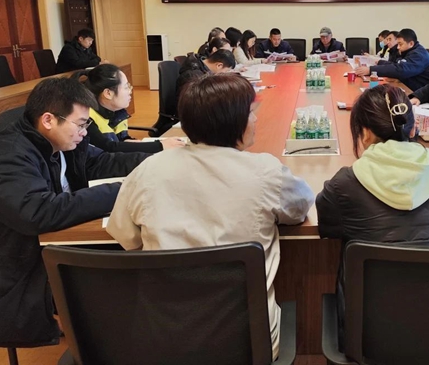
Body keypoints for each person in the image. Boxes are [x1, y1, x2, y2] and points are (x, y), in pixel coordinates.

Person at [107, 73, 315, 359]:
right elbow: (300, 208)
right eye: (251, 114)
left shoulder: (148, 170)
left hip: (165, 336)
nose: (255, 120)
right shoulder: (266, 172)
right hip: (247, 341)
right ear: (235, 122)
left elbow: (127, 238)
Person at [0, 78, 149, 348]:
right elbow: (40, 212)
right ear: (48, 120)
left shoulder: (61, 141)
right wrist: (122, 190)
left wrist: (157, 162)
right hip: (11, 267)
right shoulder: (4, 158)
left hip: (49, 242)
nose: (85, 133)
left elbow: (102, 161)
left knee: (130, 253)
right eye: (81, 124)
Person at [316, 84, 429, 342]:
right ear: (412, 129)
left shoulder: (344, 185)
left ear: (364, 134)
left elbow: (327, 225)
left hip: (369, 335)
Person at [73, 64, 185, 153]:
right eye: (126, 87)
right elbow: (109, 148)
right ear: (108, 93)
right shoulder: (85, 118)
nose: (130, 91)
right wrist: (159, 146)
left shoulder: (116, 112)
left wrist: (129, 142)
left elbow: (120, 141)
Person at [355, 28, 429, 91]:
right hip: (410, 86)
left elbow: (400, 70)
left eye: (400, 44)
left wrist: (370, 70)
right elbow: (396, 65)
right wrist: (379, 62)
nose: (398, 47)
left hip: (419, 92)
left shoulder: (418, 55)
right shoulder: (410, 51)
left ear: (411, 43)